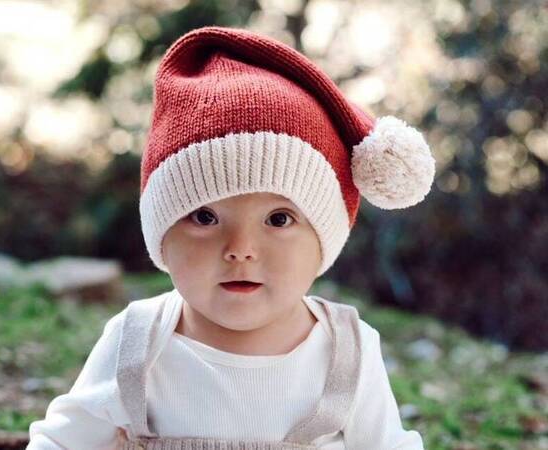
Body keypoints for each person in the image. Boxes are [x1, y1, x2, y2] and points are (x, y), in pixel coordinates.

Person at [27, 25, 435, 450]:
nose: (240, 249)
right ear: (162, 236)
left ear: (324, 240)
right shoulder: (136, 343)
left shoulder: (347, 353)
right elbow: (61, 442)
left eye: (278, 219)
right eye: (205, 217)